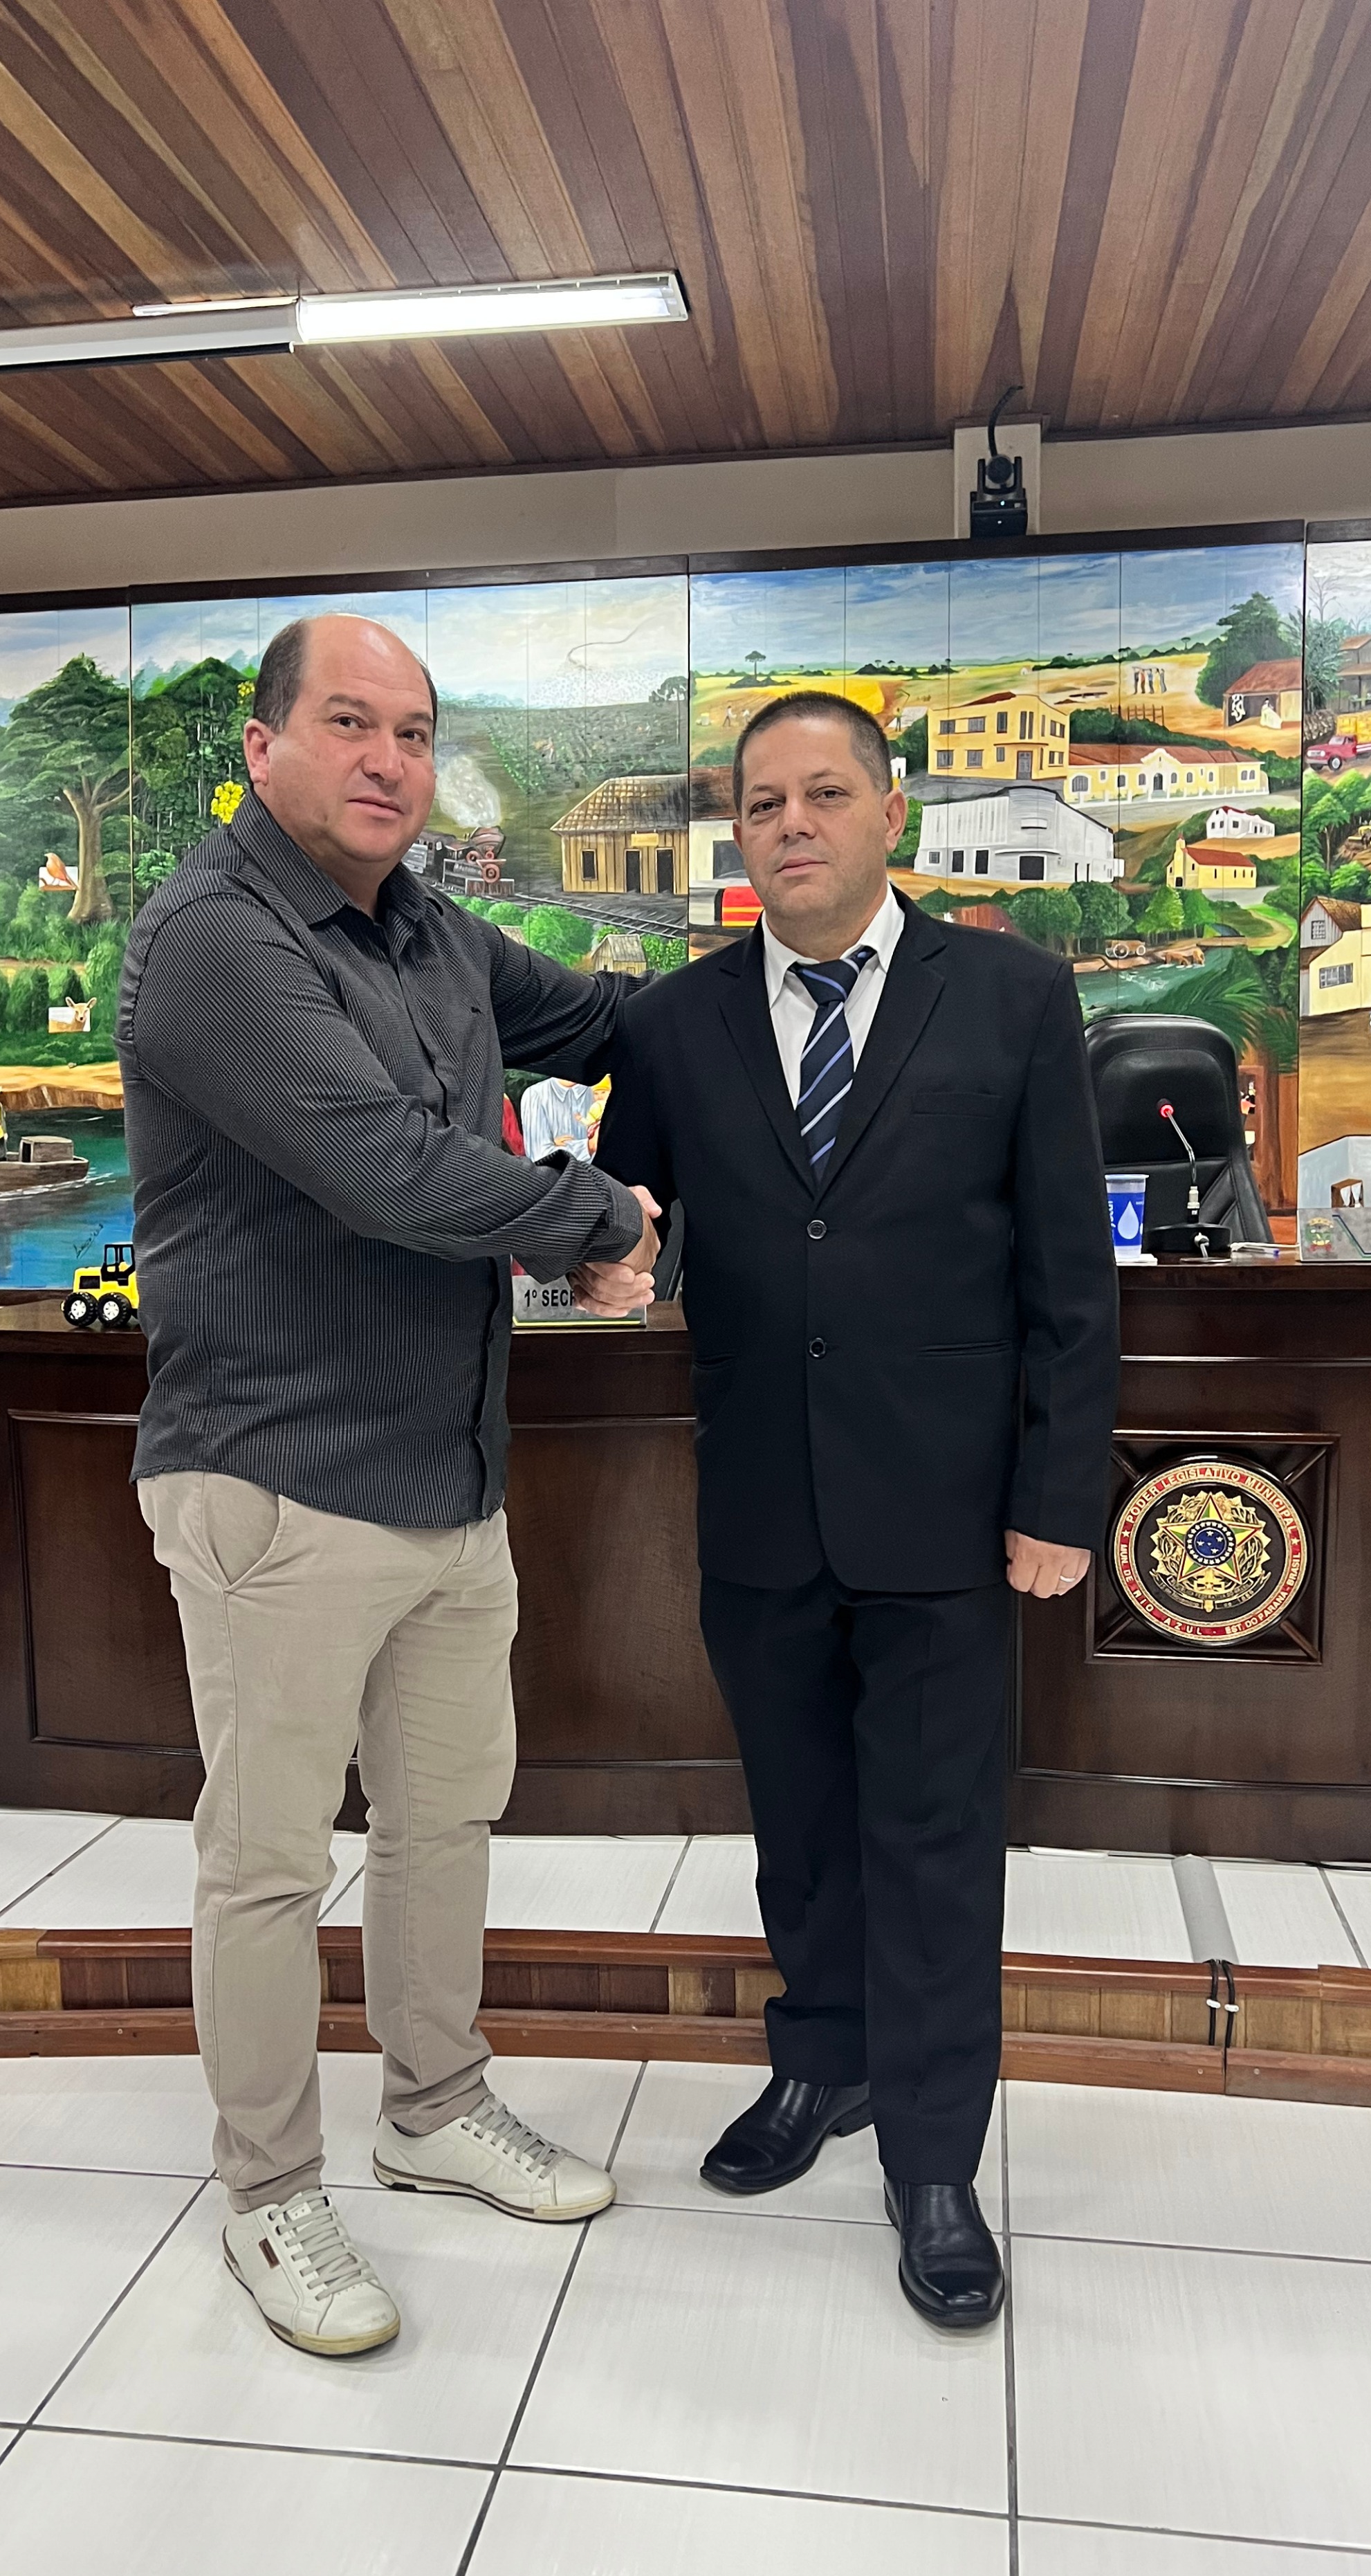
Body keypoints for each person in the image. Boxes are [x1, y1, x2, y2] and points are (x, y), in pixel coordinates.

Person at [120, 612, 659, 2361]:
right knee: (269, 1861)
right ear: (263, 745)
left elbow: (608, 1015)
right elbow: (389, 1172)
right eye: (349, 723)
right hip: (278, 1480)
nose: (387, 761)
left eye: (415, 733)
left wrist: (811, 967)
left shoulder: (429, 930)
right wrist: (600, 1219)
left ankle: (432, 2105)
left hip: (448, 1476)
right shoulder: (215, 937)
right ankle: (270, 2193)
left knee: (443, 1818)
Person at [585, 691, 1119, 2331]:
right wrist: (604, 1256)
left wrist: (1055, 1494)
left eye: (825, 794)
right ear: (737, 834)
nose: (793, 824)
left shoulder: (1013, 998)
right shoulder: (672, 1024)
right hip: (758, 1503)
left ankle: (936, 2157)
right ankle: (822, 2064)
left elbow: (1068, 1273)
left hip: (946, 1515)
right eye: (764, 803)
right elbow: (629, 1210)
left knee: (936, 1842)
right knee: (801, 1826)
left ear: (891, 813)